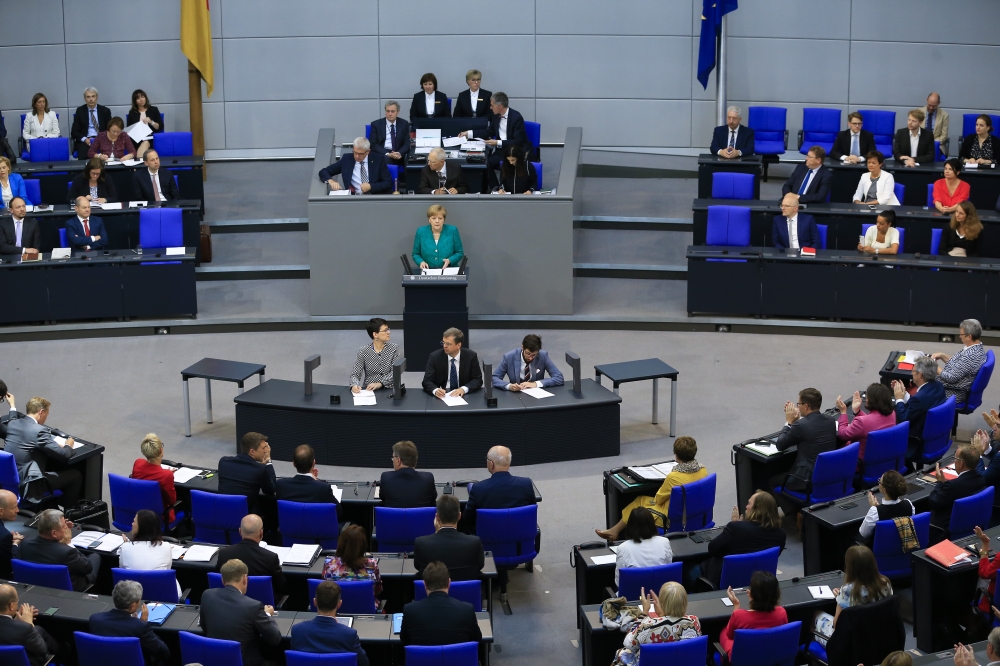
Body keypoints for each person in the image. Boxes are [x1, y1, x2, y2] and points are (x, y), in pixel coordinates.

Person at [596, 436, 708, 540]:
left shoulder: (674, 477)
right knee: (641, 500)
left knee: (639, 503)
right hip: (695, 513)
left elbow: (658, 499)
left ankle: (616, 532)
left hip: (670, 518)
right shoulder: (703, 470)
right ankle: (614, 531)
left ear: (676, 455)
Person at [199, 558, 280, 666]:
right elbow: (275, 638)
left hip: (214, 659)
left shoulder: (207, 595)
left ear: (223, 580)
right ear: (245, 579)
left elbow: (205, 628)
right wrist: (267, 614)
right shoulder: (253, 606)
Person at [700, 491, 786, 588]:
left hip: (725, 582)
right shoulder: (780, 535)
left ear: (757, 510)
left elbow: (712, 549)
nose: (746, 506)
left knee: (688, 571)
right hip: (761, 584)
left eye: (749, 504)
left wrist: (734, 525)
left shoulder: (735, 529)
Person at [4, 397, 79, 506]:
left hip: (10, 480)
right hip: (30, 484)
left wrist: (12, 406)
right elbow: (64, 455)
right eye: (47, 414)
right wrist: (69, 445)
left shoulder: (13, 424)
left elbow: (13, 418)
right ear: (41, 412)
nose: (46, 418)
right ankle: (69, 517)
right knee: (75, 475)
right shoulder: (39, 431)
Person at [813, 545, 892, 643]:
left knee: (816, 615)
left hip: (851, 644)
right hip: (878, 637)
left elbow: (836, 625)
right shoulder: (885, 583)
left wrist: (841, 597)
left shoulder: (847, 591)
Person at [770, 388, 837, 500]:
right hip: (828, 476)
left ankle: (792, 514)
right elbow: (810, 429)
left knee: (772, 481)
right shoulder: (830, 420)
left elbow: (780, 444)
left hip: (806, 480)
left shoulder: (801, 426)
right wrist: (798, 420)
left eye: (799, 404)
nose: (798, 406)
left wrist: (789, 422)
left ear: (806, 406)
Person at [611, 582, 701, 665]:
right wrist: (663, 614)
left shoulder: (648, 625)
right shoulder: (694, 622)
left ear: (662, 603)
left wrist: (644, 613)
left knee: (622, 652)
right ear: (685, 602)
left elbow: (628, 644)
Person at [462, 446, 537, 541]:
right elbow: (530, 515)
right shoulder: (526, 484)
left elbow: (467, 519)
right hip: (519, 546)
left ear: (491, 464)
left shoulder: (478, 489)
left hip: (487, 547)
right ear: (509, 463)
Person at [88, 580, 170, 665]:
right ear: (133, 606)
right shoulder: (140, 627)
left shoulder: (95, 619)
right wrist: (143, 623)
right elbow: (164, 652)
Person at [400, 561, 482, 646]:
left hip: (423, 659)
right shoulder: (467, 610)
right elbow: (477, 640)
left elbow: (404, 639)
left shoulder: (410, 611)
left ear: (424, 584)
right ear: (449, 582)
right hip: (457, 659)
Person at [289, 581, 369, 666]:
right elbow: (364, 663)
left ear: (315, 602)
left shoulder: (297, 631)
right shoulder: (349, 635)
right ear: (339, 604)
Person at [19, 509, 99, 592]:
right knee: (95, 556)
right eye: (64, 527)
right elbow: (87, 567)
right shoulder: (66, 552)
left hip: (35, 588)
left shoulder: (25, 543)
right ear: (54, 533)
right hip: (68, 591)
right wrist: (68, 543)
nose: (67, 528)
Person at [414, 494, 485, 581]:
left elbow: (418, 567)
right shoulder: (474, 542)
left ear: (437, 517)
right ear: (459, 516)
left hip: (434, 593)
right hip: (464, 593)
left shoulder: (421, 543)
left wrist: (437, 533)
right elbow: (479, 566)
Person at [464, 92, 528, 189]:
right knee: (487, 163)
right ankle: (496, 187)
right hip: (502, 149)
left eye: (492, 105)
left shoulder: (516, 117)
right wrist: (469, 133)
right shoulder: (495, 116)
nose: (490, 107)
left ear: (500, 106)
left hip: (514, 150)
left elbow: (518, 140)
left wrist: (497, 142)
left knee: (500, 163)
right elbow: (490, 131)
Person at [892, 355, 946, 465]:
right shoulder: (938, 386)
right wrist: (905, 394)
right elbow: (921, 406)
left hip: (916, 442)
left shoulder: (919, 398)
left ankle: (905, 471)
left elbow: (904, 419)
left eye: (913, 371)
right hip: (937, 437)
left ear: (920, 375)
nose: (911, 373)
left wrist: (899, 399)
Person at [718, 571, 787, 658]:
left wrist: (736, 605)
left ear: (750, 594)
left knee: (724, 632)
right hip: (771, 655)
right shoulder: (781, 612)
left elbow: (730, 635)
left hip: (743, 659)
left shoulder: (739, 616)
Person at [217, 514, 286, 598]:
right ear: (261, 533)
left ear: (240, 531)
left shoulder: (224, 554)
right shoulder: (270, 558)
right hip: (263, 605)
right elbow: (281, 586)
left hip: (231, 602)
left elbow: (220, 579)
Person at [928, 445, 986, 539]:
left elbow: (933, 502)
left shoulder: (953, 486)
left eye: (955, 458)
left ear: (961, 463)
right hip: (971, 524)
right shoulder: (981, 479)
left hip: (945, 529)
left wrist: (939, 483)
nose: (954, 461)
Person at [118, 510, 178, 597]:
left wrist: (127, 545)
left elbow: (122, 569)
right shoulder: (166, 547)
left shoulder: (125, 548)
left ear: (142, 527)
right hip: (162, 596)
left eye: (134, 521)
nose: (132, 524)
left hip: (132, 597)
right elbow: (167, 572)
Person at [0, 583, 59, 666]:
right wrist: (29, 624)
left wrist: (14, 621)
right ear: (11, 606)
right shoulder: (25, 629)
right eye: (17, 602)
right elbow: (42, 650)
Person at [835, 383, 896, 463]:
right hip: (884, 460)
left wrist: (843, 412)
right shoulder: (892, 414)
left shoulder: (861, 422)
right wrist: (857, 411)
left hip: (860, 464)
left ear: (870, 400)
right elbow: (873, 422)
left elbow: (843, 434)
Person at [218, 431, 276, 513]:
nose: (266, 451)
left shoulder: (224, 461)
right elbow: (271, 489)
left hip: (222, 512)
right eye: (264, 448)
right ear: (252, 451)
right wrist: (268, 462)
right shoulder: (260, 469)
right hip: (245, 519)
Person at [613, 506, 672, 586]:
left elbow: (619, 582)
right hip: (660, 595)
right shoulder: (664, 542)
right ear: (652, 524)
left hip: (634, 597)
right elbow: (669, 571)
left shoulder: (622, 548)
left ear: (630, 526)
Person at [322, 524, 382, 599]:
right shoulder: (372, 564)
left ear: (341, 543)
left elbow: (324, 589)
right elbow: (377, 590)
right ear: (363, 545)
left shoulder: (329, 563)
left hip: (336, 608)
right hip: (364, 609)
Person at [932, 319, 987, 400]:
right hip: (950, 387)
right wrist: (943, 355)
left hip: (951, 392)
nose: (959, 336)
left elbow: (950, 378)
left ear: (969, 336)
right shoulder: (976, 348)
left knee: (919, 384)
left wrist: (933, 366)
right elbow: (960, 366)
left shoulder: (970, 355)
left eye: (961, 334)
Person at [421, 327, 483, 397]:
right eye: (443, 343)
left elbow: (477, 380)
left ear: (458, 345)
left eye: (448, 344)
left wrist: (463, 389)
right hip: (443, 395)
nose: (444, 346)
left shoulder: (471, 356)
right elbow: (427, 381)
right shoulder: (435, 357)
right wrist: (435, 390)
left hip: (463, 395)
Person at [857, 470, 914, 544]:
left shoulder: (875, 512)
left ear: (884, 490)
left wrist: (874, 508)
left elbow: (863, 533)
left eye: (880, 482)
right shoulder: (909, 504)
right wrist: (877, 508)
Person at [130, 433, 177, 523]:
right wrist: (168, 474)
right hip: (160, 519)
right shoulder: (166, 475)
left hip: (140, 514)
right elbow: (172, 501)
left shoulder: (138, 463)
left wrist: (166, 473)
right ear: (160, 450)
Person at [318, 137, 392, 194]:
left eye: (360, 154)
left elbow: (387, 183)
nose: (356, 156)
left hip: (374, 199)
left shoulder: (378, 159)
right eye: (355, 152)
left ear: (368, 152)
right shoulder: (347, 159)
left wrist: (371, 186)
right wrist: (331, 181)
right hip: (354, 199)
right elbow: (324, 171)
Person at [492, 333, 564, 391]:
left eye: (534, 355)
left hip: (536, 395)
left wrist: (536, 384)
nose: (530, 357)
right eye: (528, 353)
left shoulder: (543, 356)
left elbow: (559, 378)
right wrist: (509, 386)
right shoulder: (509, 357)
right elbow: (495, 378)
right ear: (522, 347)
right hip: (515, 396)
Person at [379, 440, 436, 508]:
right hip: (420, 518)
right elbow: (433, 498)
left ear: (398, 460)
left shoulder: (386, 478)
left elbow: (382, 497)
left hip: (394, 518)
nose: (392, 460)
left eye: (393, 458)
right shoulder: (428, 479)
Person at [350, 317, 400, 393]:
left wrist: (380, 384)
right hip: (369, 390)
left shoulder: (394, 348)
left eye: (388, 329)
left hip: (388, 389)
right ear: (375, 334)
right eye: (385, 330)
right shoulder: (363, 351)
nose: (388, 332)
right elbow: (355, 374)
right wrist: (354, 385)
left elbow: (395, 372)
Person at [412, 204, 464, 270]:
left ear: (444, 220)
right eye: (434, 218)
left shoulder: (452, 230)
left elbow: (459, 252)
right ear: (429, 219)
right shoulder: (421, 232)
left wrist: (450, 260)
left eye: (440, 218)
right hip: (428, 271)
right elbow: (416, 254)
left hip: (450, 271)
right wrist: (421, 262)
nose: (437, 221)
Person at [70, 87, 111, 159]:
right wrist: (84, 139)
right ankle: (85, 170)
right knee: (84, 155)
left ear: (97, 97)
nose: (91, 99)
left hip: (102, 139)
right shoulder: (80, 111)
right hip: (86, 140)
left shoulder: (105, 111)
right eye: (88, 97)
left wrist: (102, 138)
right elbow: (74, 131)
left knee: (108, 155)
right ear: (84, 98)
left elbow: (110, 129)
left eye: (93, 96)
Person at [369, 100, 409, 168]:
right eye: (388, 111)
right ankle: (393, 178)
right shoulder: (376, 124)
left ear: (398, 112)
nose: (390, 114)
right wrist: (388, 154)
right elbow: (373, 144)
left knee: (410, 162)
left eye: (392, 111)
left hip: (399, 153)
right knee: (386, 159)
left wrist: (398, 153)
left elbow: (407, 143)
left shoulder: (404, 124)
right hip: (383, 153)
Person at [125, 89, 163, 159]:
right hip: (137, 139)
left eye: (142, 97)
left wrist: (151, 122)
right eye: (138, 98)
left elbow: (160, 127)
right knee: (140, 143)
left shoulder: (153, 110)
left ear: (145, 98)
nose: (141, 99)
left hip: (150, 138)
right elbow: (129, 130)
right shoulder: (132, 113)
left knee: (145, 142)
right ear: (135, 101)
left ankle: (137, 166)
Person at [0, 490, 23, 579]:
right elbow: (8, 568)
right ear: (1, 511)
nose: (17, 510)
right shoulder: (4, 536)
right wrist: (15, 544)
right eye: (14, 507)